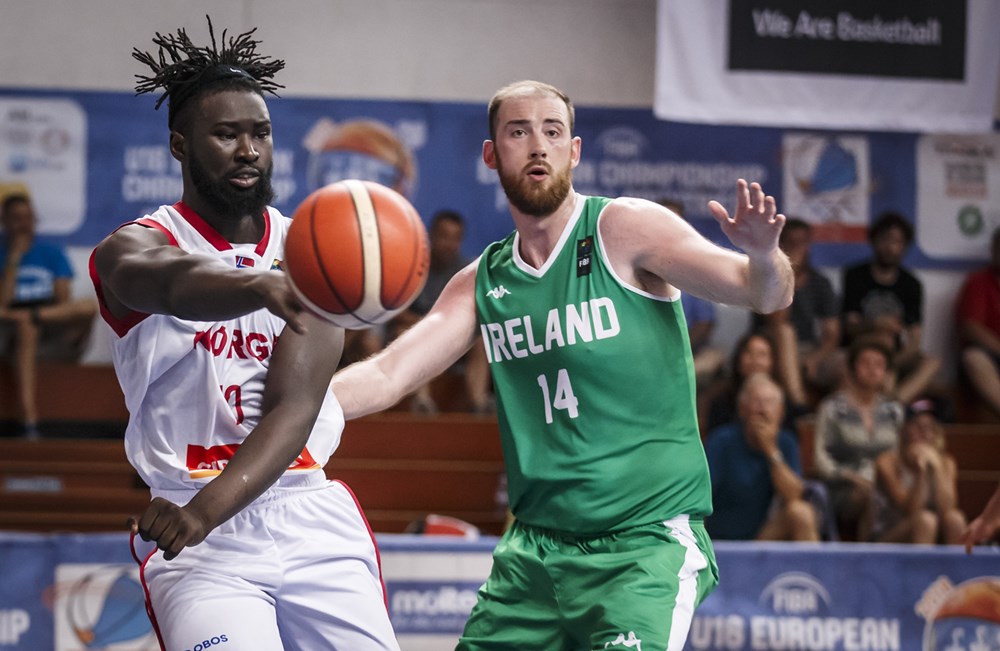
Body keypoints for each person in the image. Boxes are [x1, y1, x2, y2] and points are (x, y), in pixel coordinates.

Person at [330, 80, 794, 650]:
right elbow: (387, 373)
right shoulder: (483, 280)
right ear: (492, 155)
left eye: (553, 132)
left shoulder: (624, 230)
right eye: (518, 132)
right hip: (535, 554)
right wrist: (290, 407)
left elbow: (764, 294)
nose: (538, 146)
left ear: (574, 152)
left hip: (642, 545)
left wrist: (766, 255)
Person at [90, 19, 399, 650]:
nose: (248, 150)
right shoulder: (135, 246)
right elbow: (166, 281)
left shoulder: (310, 251)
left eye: (259, 133)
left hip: (303, 512)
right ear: (181, 146)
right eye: (226, 134)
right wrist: (255, 286)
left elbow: (292, 409)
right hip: (194, 523)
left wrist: (205, 513)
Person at [0, 193, 97, 438]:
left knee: (87, 305)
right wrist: (13, 258)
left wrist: (33, 314)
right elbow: (2, 304)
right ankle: (29, 420)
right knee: (25, 327)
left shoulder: (52, 253)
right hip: (10, 330)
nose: (24, 224)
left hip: (47, 322)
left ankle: (31, 316)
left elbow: (63, 304)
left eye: (29, 217)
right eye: (17, 218)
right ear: (5, 221)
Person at [386, 209, 492, 413]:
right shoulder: (411, 265)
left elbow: (476, 312)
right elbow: (395, 312)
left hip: (453, 335)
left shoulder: (466, 271)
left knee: (480, 339)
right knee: (406, 333)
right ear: (431, 235)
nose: (449, 244)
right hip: (416, 330)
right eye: (444, 236)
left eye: (456, 238)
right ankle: (422, 401)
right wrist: (429, 325)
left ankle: (478, 403)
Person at [705, 372, 819, 541]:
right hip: (720, 538)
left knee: (801, 513)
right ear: (742, 410)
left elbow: (794, 494)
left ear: (781, 412)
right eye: (756, 402)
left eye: (769, 403)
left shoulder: (785, 442)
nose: (762, 410)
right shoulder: (721, 440)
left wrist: (771, 451)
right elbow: (702, 495)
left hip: (762, 537)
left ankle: (813, 568)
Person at [840, 211, 940, 404]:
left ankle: (892, 404)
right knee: (882, 337)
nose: (891, 247)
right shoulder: (855, 276)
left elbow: (915, 338)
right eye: (885, 239)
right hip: (861, 349)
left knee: (932, 362)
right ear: (873, 240)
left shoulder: (911, 284)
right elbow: (849, 327)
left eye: (898, 241)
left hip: (897, 356)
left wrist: (892, 361)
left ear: (905, 246)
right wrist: (876, 324)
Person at [813, 336, 904, 541]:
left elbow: (897, 456)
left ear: (887, 372)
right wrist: (850, 476)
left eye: (879, 365)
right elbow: (821, 461)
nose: (872, 369)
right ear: (853, 367)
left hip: (885, 486)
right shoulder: (833, 408)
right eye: (866, 363)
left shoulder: (893, 411)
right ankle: (865, 555)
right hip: (843, 487)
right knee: (867, 494)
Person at [756, 217, 842, 407]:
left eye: (802, 243)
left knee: (845, 363)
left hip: (809, 349)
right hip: (771, 347)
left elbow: (832, 333)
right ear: (780, 245)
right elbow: (778, 321)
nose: (797, 249)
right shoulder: (766, 278)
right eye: (791, 243)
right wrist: (788, 273)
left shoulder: (820, 282)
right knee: (786, 332)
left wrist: (816, 358)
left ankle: (838, 416)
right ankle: (798, 405)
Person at [872, 398, 966, 544]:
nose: (923, 432)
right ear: (903, 430)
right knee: (925, 520)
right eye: (916, 425)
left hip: (930, 527)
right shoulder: (887, 462)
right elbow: (909, 511)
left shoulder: (946, 462)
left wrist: (935, 467)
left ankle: (958, 567)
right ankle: (921, 568)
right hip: (887, 534)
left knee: (955, 519)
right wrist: (921, 472)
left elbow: (948, 507)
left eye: (929, 427)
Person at [658, 199, 726, 387]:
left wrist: (679, 346)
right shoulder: (634, 265)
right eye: (663, 221)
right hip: (648, 350)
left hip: (688, 350)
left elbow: (706, 323)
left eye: (674, 221)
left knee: (715, 358)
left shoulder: (694, 267)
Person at [955, 226, 1000, 420]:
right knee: (973, 357)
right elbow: (971, 328)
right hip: (991, 358)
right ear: (994, 250)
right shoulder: (979, 282)